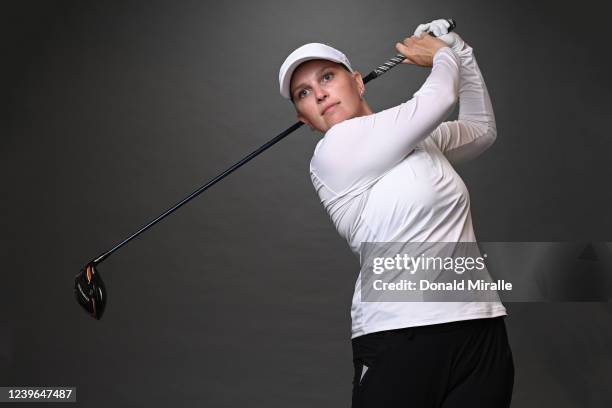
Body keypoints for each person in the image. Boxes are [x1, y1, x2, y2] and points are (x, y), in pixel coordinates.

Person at [278, 19, 514, 407]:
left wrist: (459, 50)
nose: (319, 94)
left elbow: (480, 129)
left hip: (479, 326)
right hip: (400, 334)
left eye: (327, 77)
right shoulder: (333, 152)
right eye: (304, 93)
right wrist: (441, 55)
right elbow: (436, 100)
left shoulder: (419, 140)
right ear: (304, 118)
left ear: (357, 82)